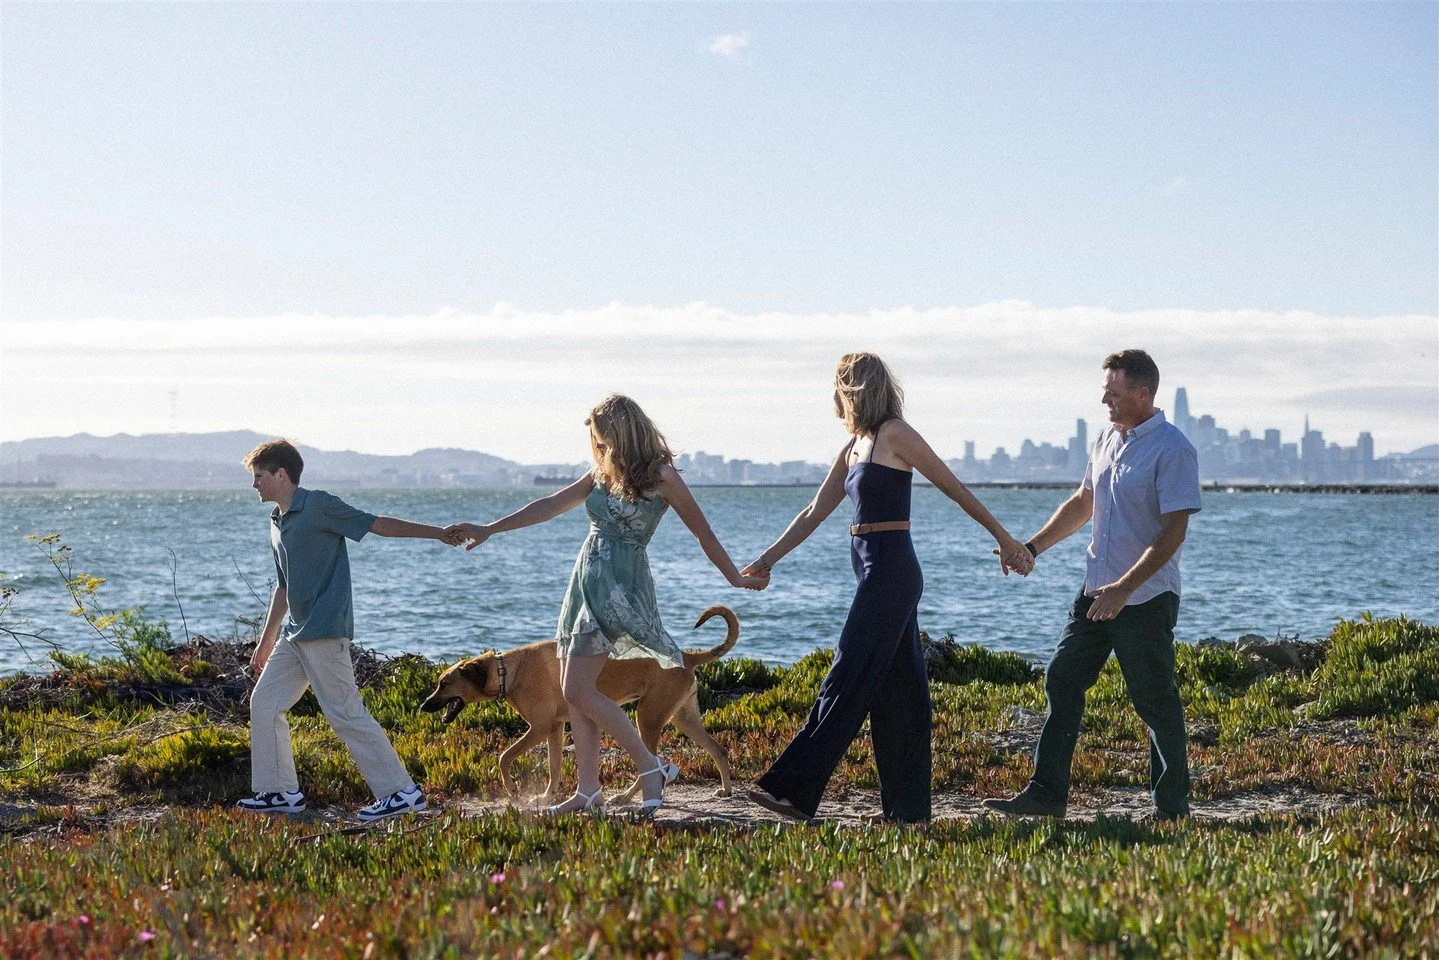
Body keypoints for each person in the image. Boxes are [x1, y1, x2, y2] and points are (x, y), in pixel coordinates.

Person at [741, 353, 1034, 824]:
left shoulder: (896, 434)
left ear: (852, 389)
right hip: (871, 569)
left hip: (892, 573)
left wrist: (1005, 540)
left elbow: (954, 487)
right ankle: (909, 811)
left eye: (838, 388)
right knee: (901, 696)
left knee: (846, 674)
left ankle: (792, 792)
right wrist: (766, 560)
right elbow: (814, 512)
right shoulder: (853, 446)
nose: (834, 397)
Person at [445, 394, 767, 816]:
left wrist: (736, 578)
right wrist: (491, 528)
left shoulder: (662, 476)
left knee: (574, 689)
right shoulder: (601, 473)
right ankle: (587, 791)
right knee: (578, 693)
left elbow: (704, 534)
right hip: (584, 586)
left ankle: (650, 769)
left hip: (621, 587)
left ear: (619, 432)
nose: (596, 447)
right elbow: (548, 505)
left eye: (600, 438)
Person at [984, 349, 1201, 822]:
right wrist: (1032, 548)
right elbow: (1084, 502)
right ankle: (1046, 795)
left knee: (1154, 700)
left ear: (1143, 394)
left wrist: (1124, 588)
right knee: (1062, 678)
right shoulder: (1105, 437)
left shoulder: (1174, 448)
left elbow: (1174, 531)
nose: (1104, 398)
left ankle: (1172, 808)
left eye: (1114, 391)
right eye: (1105, 389)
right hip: (1095, 591)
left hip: (1143, 596)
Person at [239, 439, 459, 821]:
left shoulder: (319, 505)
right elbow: (284, 586)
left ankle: (401, 793)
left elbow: (378, 525)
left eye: (258, 477)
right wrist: (266, 638)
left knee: (345, 713)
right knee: (265, 703)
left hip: (325, 630)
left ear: (281, 474)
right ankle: (280, 793)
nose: (254, 485)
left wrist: (438, 532)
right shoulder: (277, 521)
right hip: (294, 634)